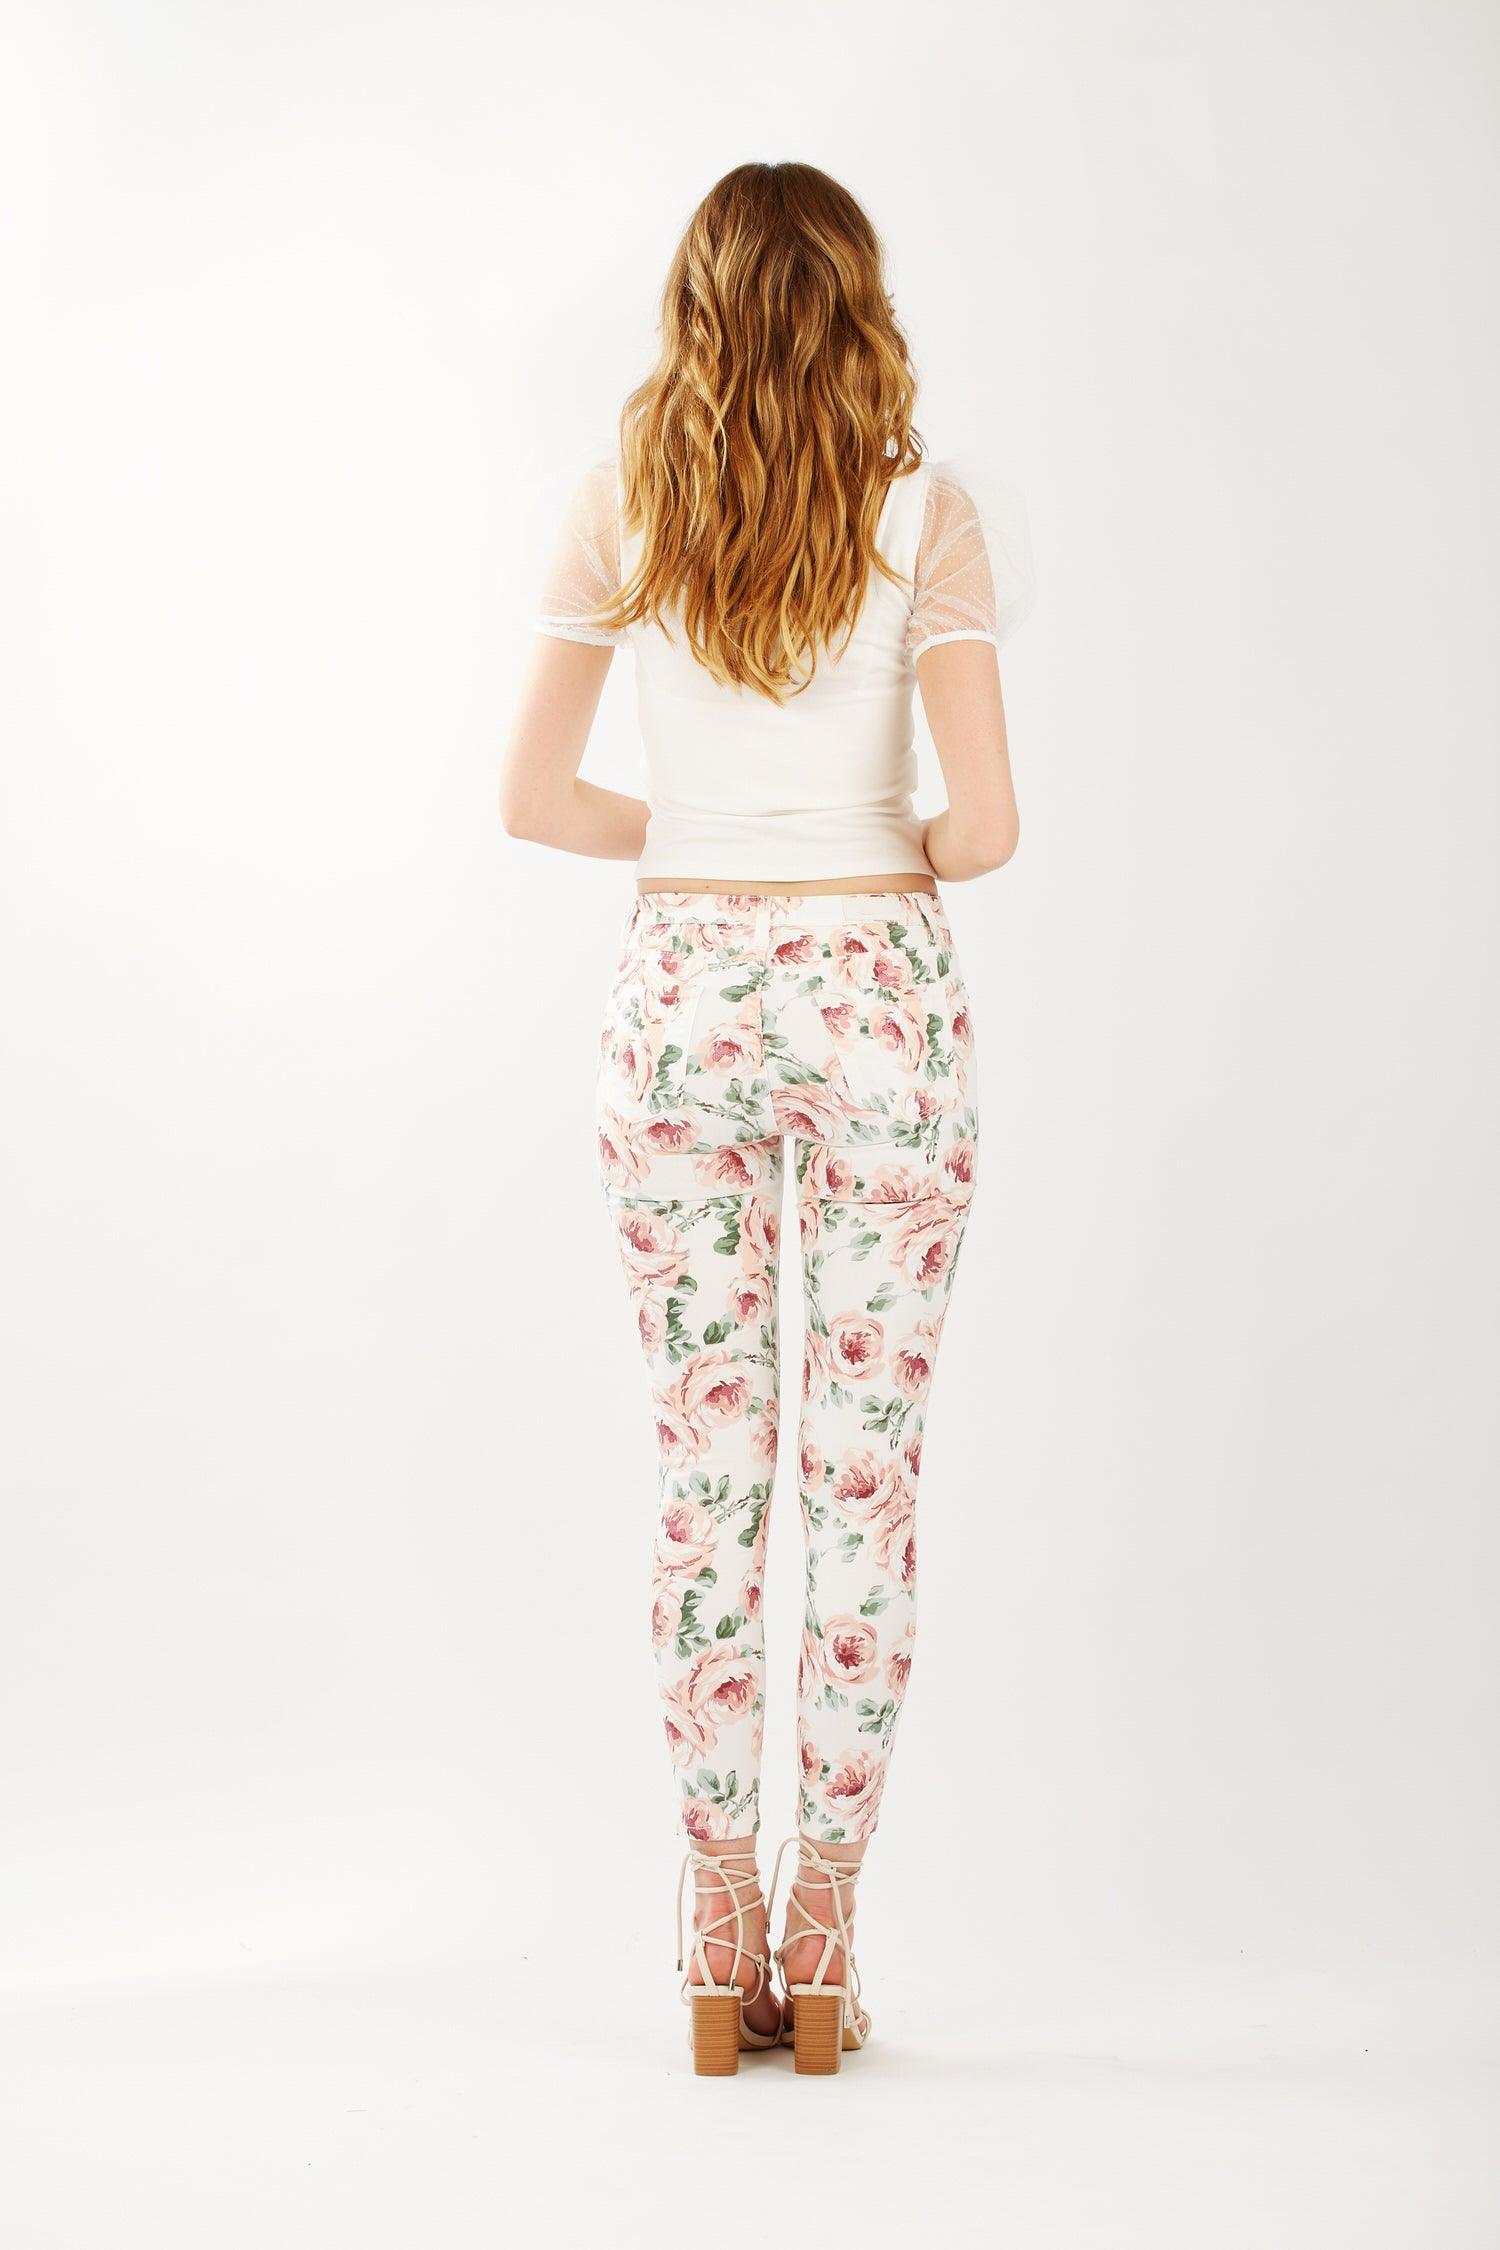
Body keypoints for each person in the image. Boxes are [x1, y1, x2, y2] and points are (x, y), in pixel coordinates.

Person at [500, 160, 1033, 2076]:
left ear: (696, 308)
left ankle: (713, 1918)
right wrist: (858, 854)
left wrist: (714, 838)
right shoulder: (926, 512)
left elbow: (536, 799)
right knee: (860, 1482)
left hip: (682, 1003)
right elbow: (987, 830)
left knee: (707, 1469)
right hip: (879, 997)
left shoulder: (622, 502)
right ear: (859, 307)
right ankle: (824, 1938)